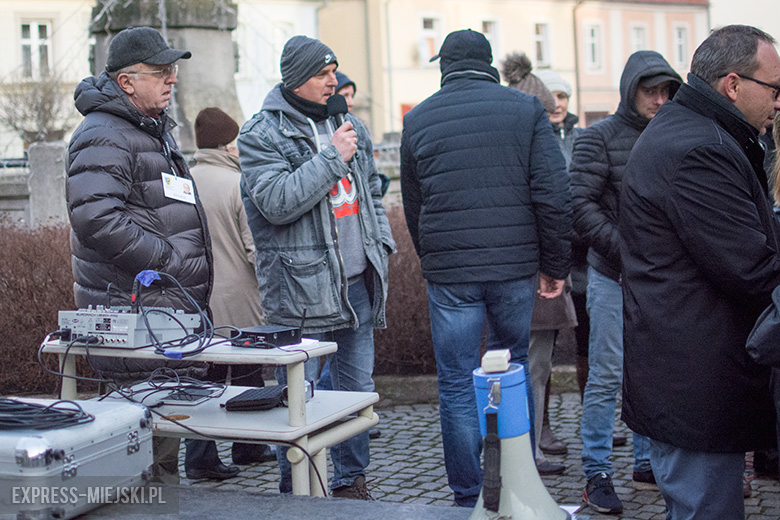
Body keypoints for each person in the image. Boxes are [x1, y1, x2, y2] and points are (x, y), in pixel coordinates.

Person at [400, 29, 571, 507]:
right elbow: (553, 194)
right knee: (510, 367)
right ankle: (516, 478)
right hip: (515, 266)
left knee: (455, 380)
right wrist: (553, 263)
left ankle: (468, 493)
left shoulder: (419, 120)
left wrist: (433, 259)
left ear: (445, 67)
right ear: (489, 63)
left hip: (451, 272)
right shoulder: (525, 110)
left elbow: (416, 207)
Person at [621, 25, 780, 518]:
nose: (778, 103)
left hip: (692, 368)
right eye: (775, 89)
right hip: (695, 379)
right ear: (732, 85)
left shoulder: (699, 131)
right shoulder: (698, 149)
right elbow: (750, 268)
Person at [66, 26, 238, 483]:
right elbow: (96, 219)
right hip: (136, 316)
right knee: (143, 464)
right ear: (126, 81)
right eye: (160, 72)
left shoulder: (148, 128)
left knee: (159, 454)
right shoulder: (103, 133)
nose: (172, 80)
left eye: (173, 71)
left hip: (163, 318)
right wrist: (168, 264)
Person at [238, 35, 396, 500]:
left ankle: (349, 481)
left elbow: (369, 190)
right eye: (323, 74)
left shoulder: (350, 124)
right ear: (296, 79)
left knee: (354, 391)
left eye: (334, 72)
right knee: (298, 399)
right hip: (300, 294)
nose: (334, 82)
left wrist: (380, 244)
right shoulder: (260, 133)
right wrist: (332, 158)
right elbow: (276, 202)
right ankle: (299, 489)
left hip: (357, 287)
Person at [570, 50, 681, 514]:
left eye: (665, 91)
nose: (658, 99)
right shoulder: (598, 137)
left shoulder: (675, 136)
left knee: (650, 375)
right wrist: (624, 248)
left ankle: (645, 463)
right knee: (606, 376)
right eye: (649, 90)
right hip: (612, 276)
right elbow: (578, 205)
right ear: (629, 89)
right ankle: (596, 471)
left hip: (660, 280)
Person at [500, 53, 575, 477]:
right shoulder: (533, 141)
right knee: (529, 365)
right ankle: (523, 453)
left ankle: (521, 449)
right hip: (534, 269)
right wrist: (556, 266)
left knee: (534, 363)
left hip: (526, 268)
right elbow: (553, 205)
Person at [189, 107, 275, 467]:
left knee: (202, 380)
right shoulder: (237, 184)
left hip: (195, 297)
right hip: (240, 297)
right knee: (246, 374)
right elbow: (255, 248)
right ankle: (248, 446)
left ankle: (200, 457)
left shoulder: (183, 181)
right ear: (226, 146)